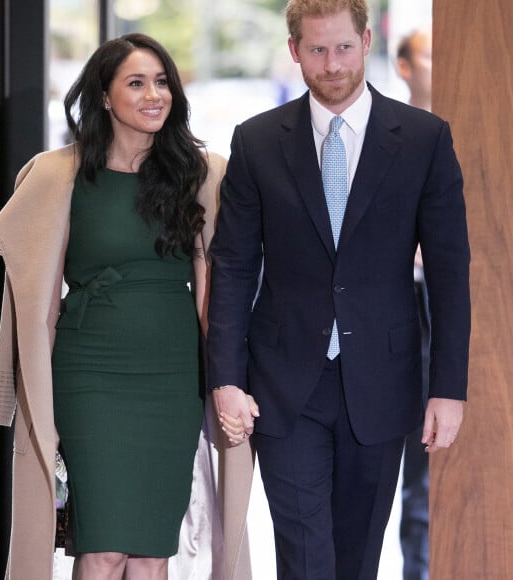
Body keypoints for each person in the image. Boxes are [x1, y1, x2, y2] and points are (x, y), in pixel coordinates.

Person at [207, 1, 470, 579]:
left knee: (357, 561)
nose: (332, 64)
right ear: (295, 50)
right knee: (304, 559)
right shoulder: (256, 142)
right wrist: (225, 379)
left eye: (344, 48)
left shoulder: (425, 139)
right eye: (318, 49)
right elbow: (231, 265)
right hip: (284, 386)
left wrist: (449, 388)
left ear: (367, 41)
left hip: (382, 380)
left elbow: (451, 273)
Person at [0, 32, 227, 580]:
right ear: (103, 95)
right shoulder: (62, 175)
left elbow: (215, 293)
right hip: (89, 375)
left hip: (172, 378)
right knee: (102, 549)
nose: (155, 95)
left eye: (163, 82)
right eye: (137, 82)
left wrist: (227, 381)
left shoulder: (200, 173)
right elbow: (40, 306)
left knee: (150, 552)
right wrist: (35, 405)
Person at [396, 28, 434, 580]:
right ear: (404, 65)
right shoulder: (391, 135)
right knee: (412, 471)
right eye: (430, 54)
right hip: (403, 304)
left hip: (446, 304)